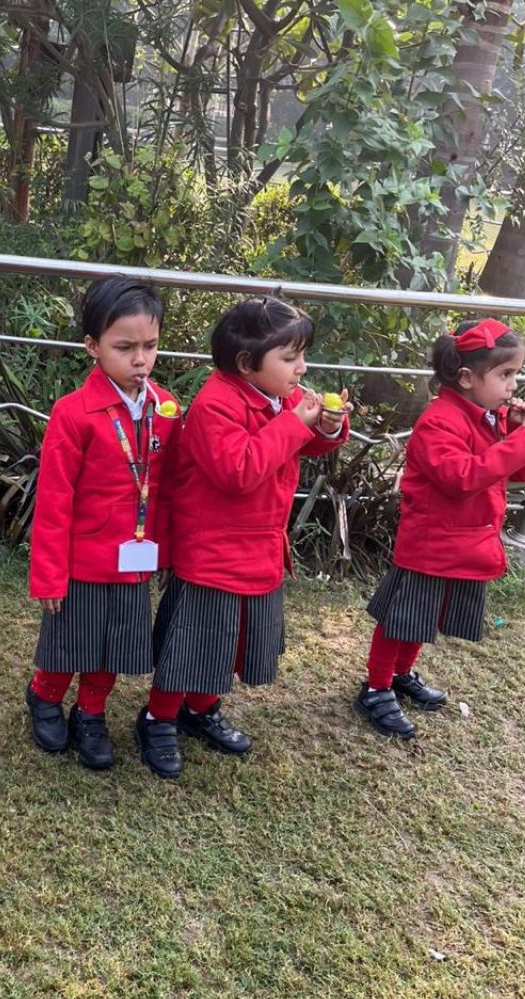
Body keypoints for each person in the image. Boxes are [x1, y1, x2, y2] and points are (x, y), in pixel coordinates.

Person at [135, 297, 350, 778]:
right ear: (247, 363)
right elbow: (240, 470)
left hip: (259, 547)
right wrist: (295, 423)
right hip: (212, 553)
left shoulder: (281, 396)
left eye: (302, 356)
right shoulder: (216, 405)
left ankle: (200, 709)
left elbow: (301, 442)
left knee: (231, 641)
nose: (302, 368)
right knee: (193, 642)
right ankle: (159, 717)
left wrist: (327, 427)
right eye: (290, 358)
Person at [355, 319, 525, 740]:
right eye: (505, 374)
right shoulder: (439, 421)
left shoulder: (488, 417)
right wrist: (519, 440)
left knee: (422, 619)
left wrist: (517, 432)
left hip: (463, 540)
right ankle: (376, 687)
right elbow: (462, 478)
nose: (513, 385)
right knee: (401, 619)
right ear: (466, 378)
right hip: (430, 543)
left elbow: (521, 471)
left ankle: (400, 674)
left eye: (515, 374)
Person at [25, 275, 182, 770]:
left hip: (134, 562)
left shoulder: (165, 409)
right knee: (67, 643)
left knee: (115, 645)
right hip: (82, 563)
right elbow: (54, 501)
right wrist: (49, 576)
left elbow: (169, 488)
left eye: (150, 346)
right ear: (92, 346)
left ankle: (90, 712)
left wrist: (167, 550)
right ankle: (45, 696)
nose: (141, 360)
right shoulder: (73, 414)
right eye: (125, 347)